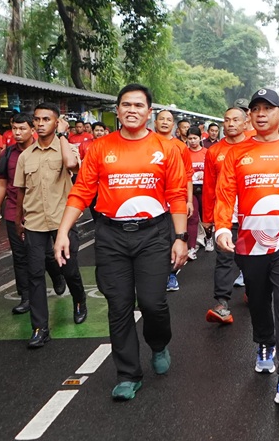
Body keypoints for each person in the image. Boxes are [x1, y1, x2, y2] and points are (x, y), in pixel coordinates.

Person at [56, 83, 188, 401]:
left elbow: (177, 195)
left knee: (153, 303)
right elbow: (82, 191)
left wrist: (180, 237)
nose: (131, 110)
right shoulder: (101, 148)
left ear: (149, 112)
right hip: (111, 235)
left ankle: (158, 344)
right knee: (119, 306)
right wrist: (63, 232)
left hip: (153, 234)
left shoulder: (166, 148)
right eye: (125, 105)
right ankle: (128, 374)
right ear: (117, 110)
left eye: (138, 105)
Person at [215, 88, 279, 406]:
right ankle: (264, 342)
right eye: (256, 109)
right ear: (250, 116)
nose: (261, 114)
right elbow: (225, 194)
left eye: (268, 109)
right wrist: (220, 228)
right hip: (250, 240)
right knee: (258, 300)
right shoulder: (236, 153)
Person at [14, 102, 87, 348]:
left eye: (47, 119)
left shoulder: (68, 148)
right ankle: (40, 328)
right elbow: (21, 191)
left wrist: (64, 135)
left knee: (68, 269)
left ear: (57, 122)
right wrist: (17, 219)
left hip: (61, 221)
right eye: (37, 119)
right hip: (34, 222)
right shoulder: (25, 156)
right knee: (35, 275)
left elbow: (70, 165)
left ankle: (79, 300)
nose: (41, 123)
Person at [0, 112, 65, 315]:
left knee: (46, 254)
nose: (17, 132)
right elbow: (2, 183)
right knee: (20, 256)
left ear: (32, 130)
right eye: (14, 128)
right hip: (14, 210)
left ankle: (58, 277)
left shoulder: (41, 151)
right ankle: (25, 296)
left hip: (40, 211)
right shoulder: (7, 155)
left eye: (22, 128)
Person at [202, 107, 249, 324]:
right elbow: (209, 187)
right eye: (227, 120)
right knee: (224, 258)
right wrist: (208, 217)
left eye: (235, 120)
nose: (230, 124)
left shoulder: (255, 146)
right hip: (226, 217)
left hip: (253, 215)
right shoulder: (214, 152)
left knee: (252, 260)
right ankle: (222, 303)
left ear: (246, 122)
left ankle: (254, 290)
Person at [155, 109, 193, 292]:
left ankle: (171, 275)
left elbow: (188, 176)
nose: (164, 122)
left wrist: (189, 200)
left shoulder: (180, 147)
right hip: (153, 203)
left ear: (173, 125)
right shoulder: (147, 143)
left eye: (168, 120)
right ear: (155, 122)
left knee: (172, 237)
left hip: (174, 202)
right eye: (161, 119)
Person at [185, 126, 206, 260]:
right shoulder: (184, 153)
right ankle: (191, 248)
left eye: (195, 138)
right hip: (191, 188)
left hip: (205, 188)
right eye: (190, 138)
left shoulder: (207, 152)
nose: (192, 141)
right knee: (192, 218)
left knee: (206, 218)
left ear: (200, 138)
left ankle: (208, 238)